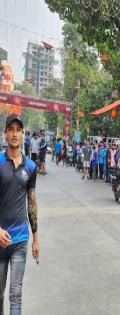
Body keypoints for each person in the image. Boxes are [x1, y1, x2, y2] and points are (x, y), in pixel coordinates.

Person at [0, 114, 39, 314]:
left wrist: (35, 239)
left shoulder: (30, 167)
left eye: (18, 130)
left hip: (20, 241)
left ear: (23, 134)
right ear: (6, 133)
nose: (14, 134)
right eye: (11, 129)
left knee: (16, 295)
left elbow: (31, 203)